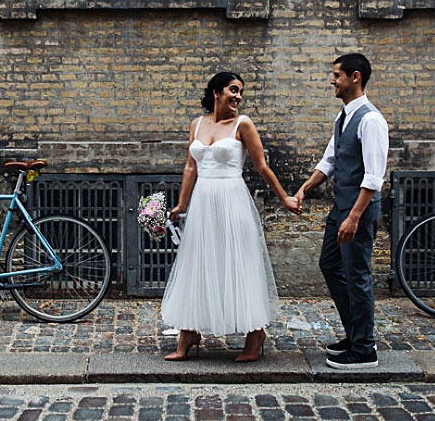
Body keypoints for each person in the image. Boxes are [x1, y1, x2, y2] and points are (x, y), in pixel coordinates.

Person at [161, 72, 298, 362]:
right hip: (202, 202)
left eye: (240, 93)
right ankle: (188, 334)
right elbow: (190, 168)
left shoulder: (243, 124)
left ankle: (255, 334)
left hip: (232, 199)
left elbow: (261, 166)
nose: (237, 96)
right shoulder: (196, 124)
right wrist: (181, 204)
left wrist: (284, 197)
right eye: (233, 90)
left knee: (239, 263)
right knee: (198, 263)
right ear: (216, 92)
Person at [290, 53, 388, 369]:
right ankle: (355, 333)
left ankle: (364, 349)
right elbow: (329, 162)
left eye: (336, 75)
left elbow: (373, 177)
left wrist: (355, 216)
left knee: (357, 275)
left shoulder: (371, 120)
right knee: (330, 264)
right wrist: (305, 188)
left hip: (357, 211)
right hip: (340, 208)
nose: (332, 81)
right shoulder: (343, 117)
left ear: (354, 76)